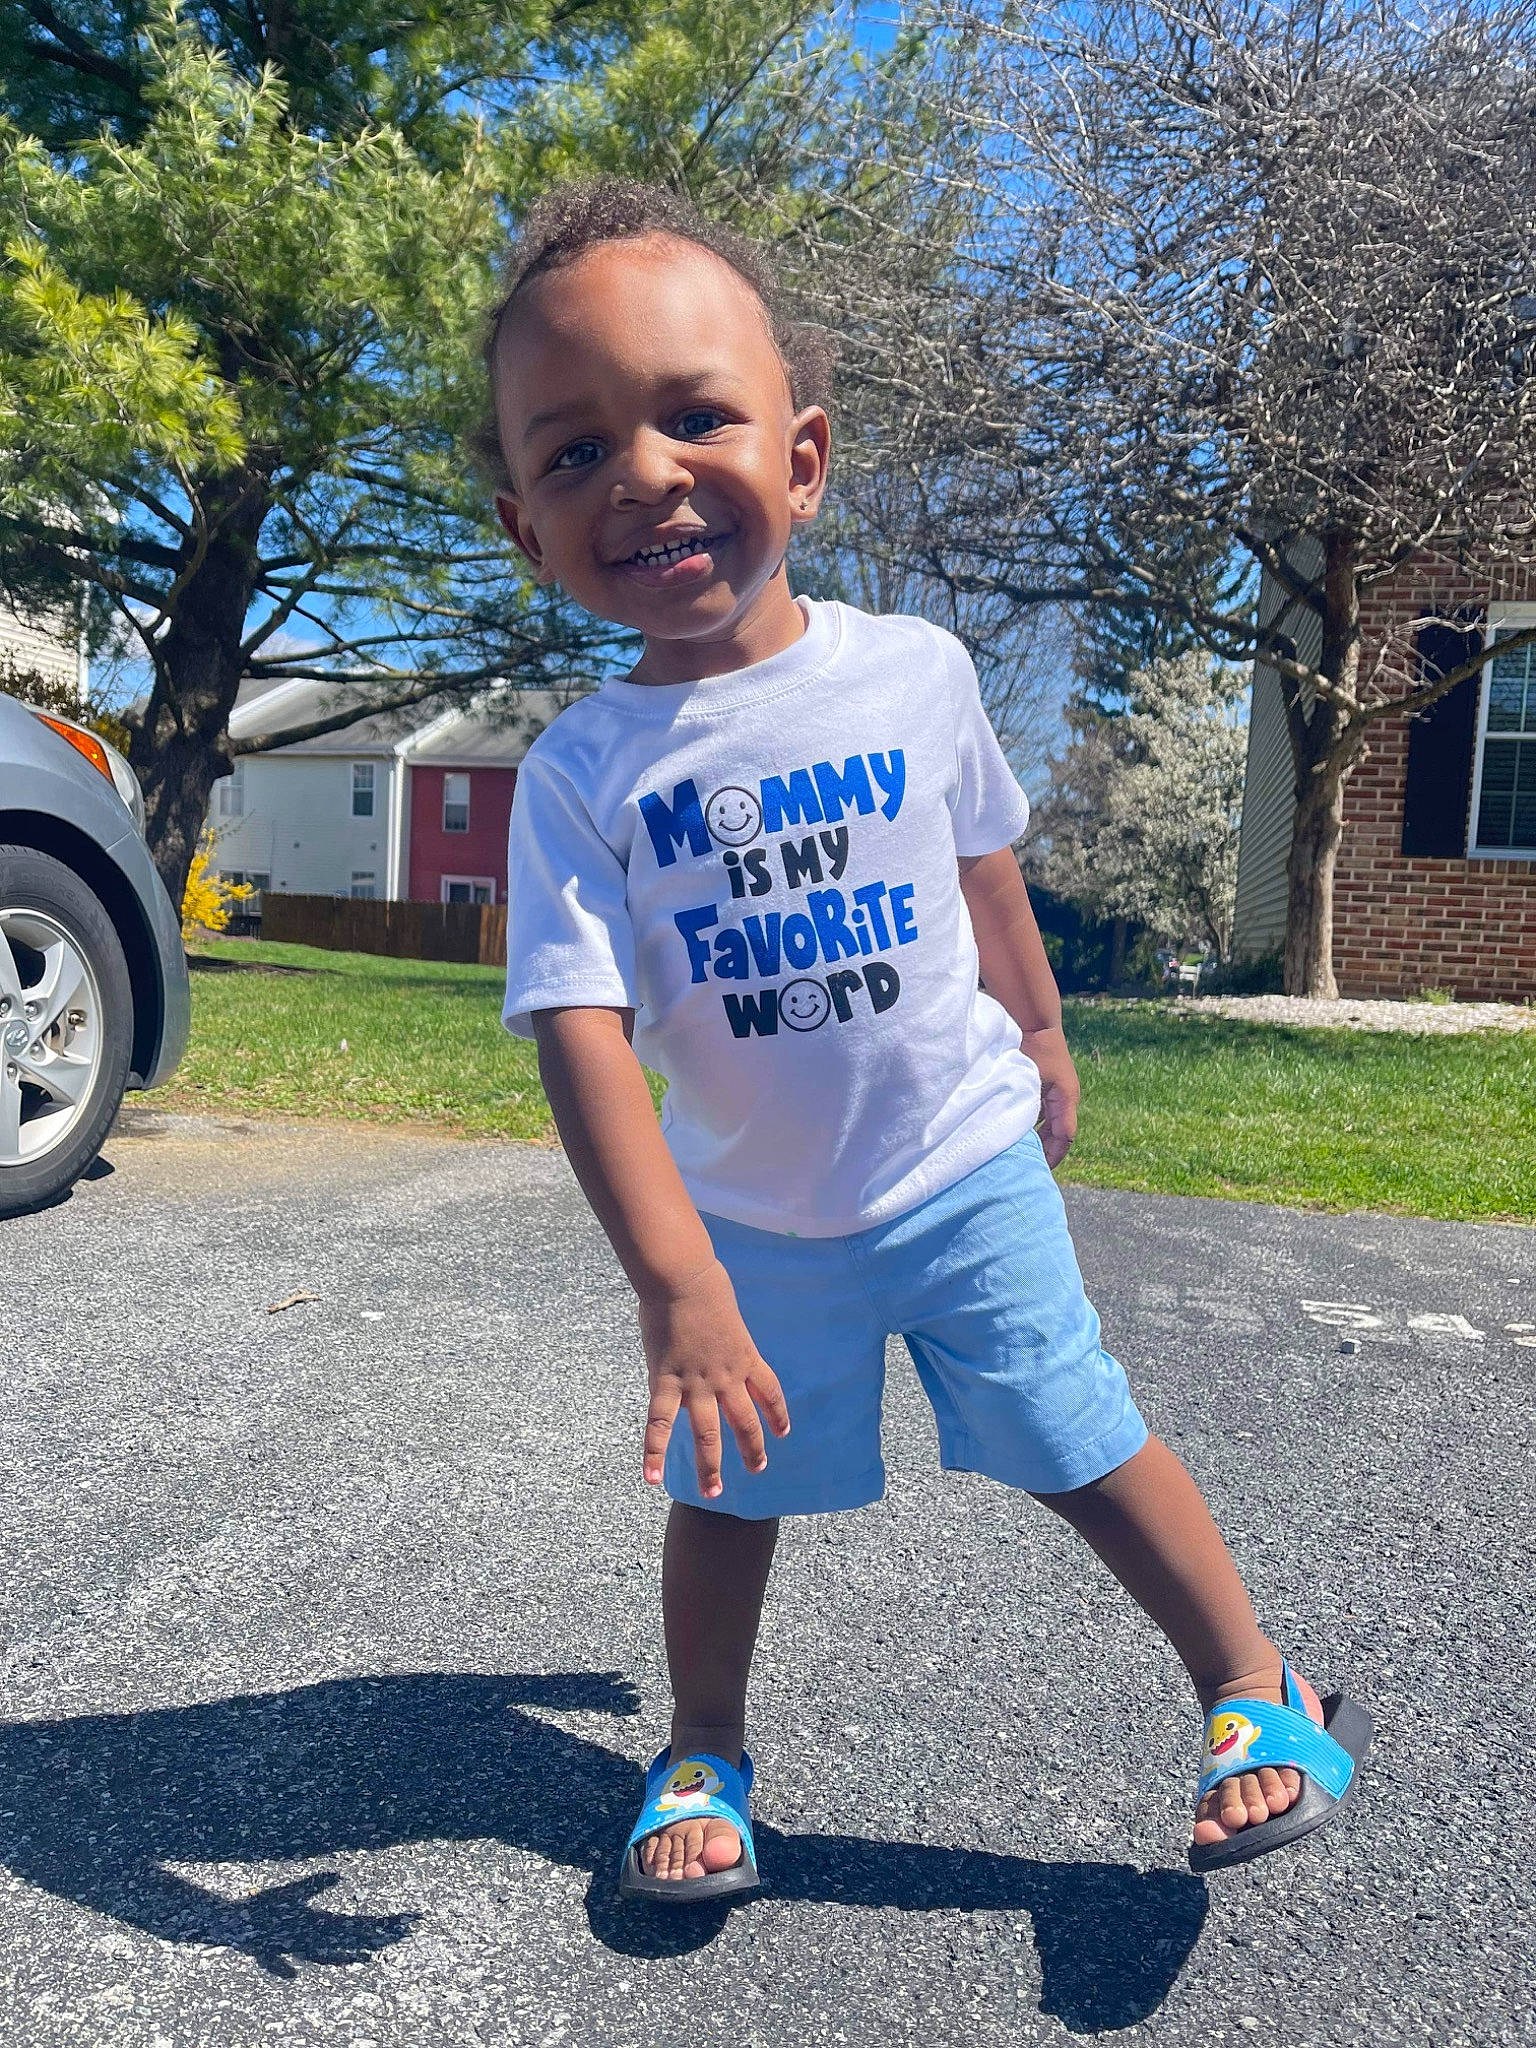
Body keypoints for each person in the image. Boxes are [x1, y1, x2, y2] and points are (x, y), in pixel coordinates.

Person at [479, 177, 1369, 1901]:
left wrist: (1038, 1033)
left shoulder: (913, 674)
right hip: (751, 1230)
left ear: (802, 459)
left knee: (1080, 1438)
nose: (645, 473)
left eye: (695, 416)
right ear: (528, 527)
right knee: (728, 1495)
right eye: (573, 452)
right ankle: (705, 1745)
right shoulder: (580, 774)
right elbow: (579, 1032)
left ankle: (1257, 1697)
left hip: (961, 1170)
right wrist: (679, 1286)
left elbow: (982, 875)